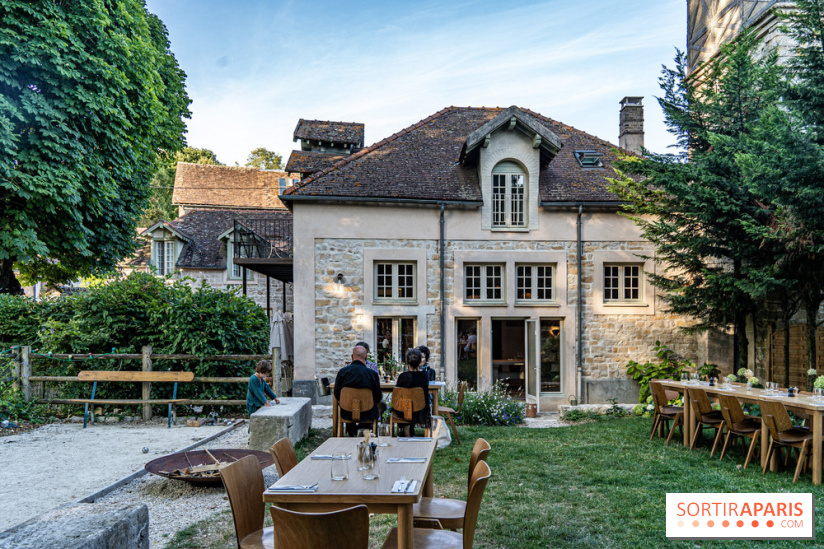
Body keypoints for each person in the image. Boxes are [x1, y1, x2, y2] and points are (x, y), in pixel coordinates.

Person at [334, 344, 383, 436]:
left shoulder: (342, 372)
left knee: (347, 404)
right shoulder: (372, 374)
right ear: (366, 357)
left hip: (347, 412)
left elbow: (337, 394)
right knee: (377, 405)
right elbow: (378, 396)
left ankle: (351, 432)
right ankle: (363, 429)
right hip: (367, 412)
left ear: (352, 357)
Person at [391, 348, 430, 437]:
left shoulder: (402, 376)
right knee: (411, 405)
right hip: (420, 410)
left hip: (403, 411)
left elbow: (398, 395)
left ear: (407, 361)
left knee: (402, 405)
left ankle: (406, 432)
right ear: (419, 361)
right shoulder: (424, 375)